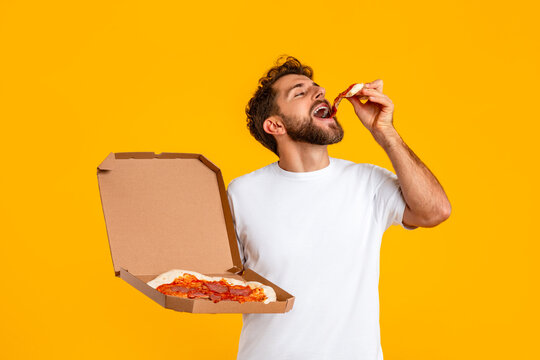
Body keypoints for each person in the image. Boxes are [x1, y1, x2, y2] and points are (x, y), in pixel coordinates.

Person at [226, 56, 451, 360]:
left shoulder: (367, 182)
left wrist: (384, 131)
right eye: (300, 92)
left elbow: (435, 211)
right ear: (275, 125)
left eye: (317, 89)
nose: (319, 92)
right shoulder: (242, 192)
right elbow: (222, 279)